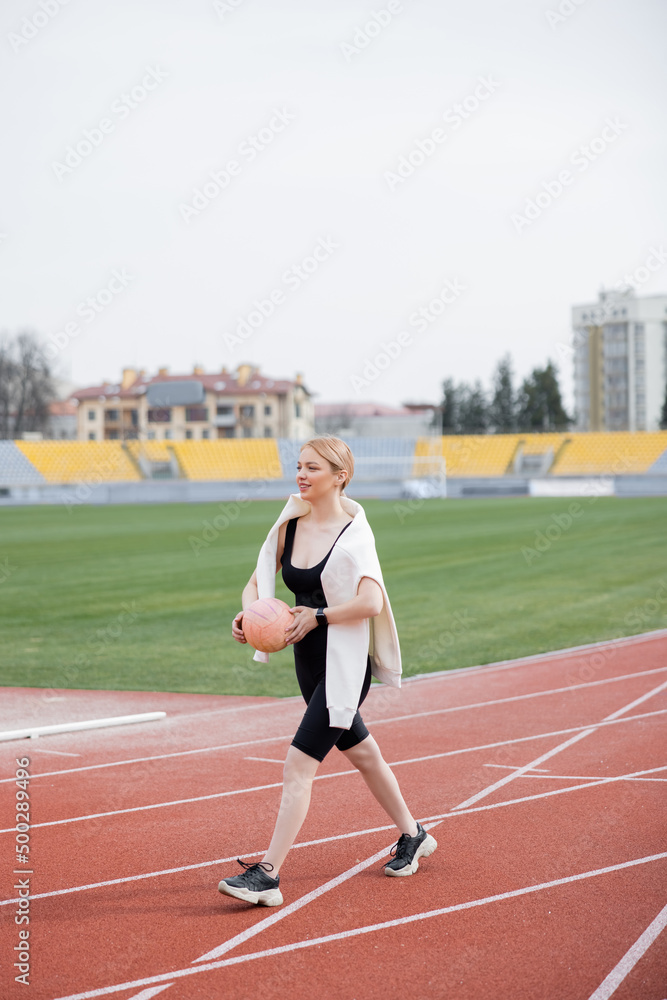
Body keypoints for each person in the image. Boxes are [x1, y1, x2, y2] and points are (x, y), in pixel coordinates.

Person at [218, 435, 436, 906]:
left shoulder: (355, 534)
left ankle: (268, 876)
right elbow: (257, 581)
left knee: (298, 764)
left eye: (312, 468)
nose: (301, 474)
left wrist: (316, 616)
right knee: (364, 755)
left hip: (344, 665)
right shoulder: (289, 524)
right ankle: (414, 834)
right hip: (306, 664)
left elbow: (371, 601)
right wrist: (249, 617)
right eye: (299, 466)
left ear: (340, 477)